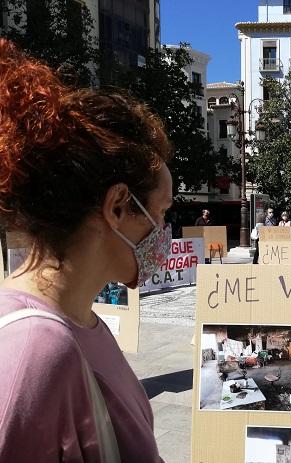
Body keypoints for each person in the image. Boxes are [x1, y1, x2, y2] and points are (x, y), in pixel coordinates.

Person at [0, 40, 168, 461]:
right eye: (161, 212)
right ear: (116, 207)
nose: (164, 232)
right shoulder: (34, 346)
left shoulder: (85, 321)